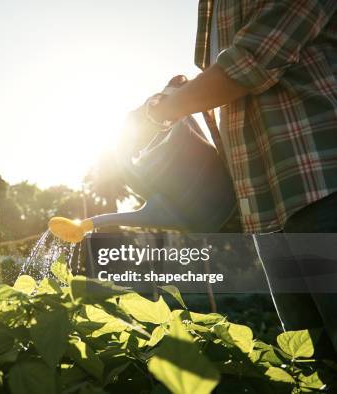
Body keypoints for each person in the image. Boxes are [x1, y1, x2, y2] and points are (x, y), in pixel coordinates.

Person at [135, 0, 337, 356]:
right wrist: (174, 98)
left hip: (325, 182)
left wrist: (158, 113)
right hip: (267, 211)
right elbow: (229, 77)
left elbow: (252, 61)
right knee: (313, 361)